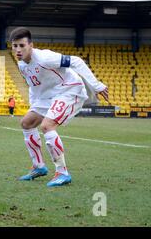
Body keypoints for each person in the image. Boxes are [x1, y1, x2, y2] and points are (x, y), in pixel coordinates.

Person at [10, 27, 108, 187]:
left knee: (47, 126)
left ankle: (62, 173)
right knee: (26, 123)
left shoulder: (44, 57)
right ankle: (39, 166)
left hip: (69, 89)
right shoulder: (22, 64)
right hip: (48, 96)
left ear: (31, 45)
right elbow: (33, 87)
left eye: (22, 45)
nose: (18, 50)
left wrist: (96, 85)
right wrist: (33, 106)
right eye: (15, 46)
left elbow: (76, 61)